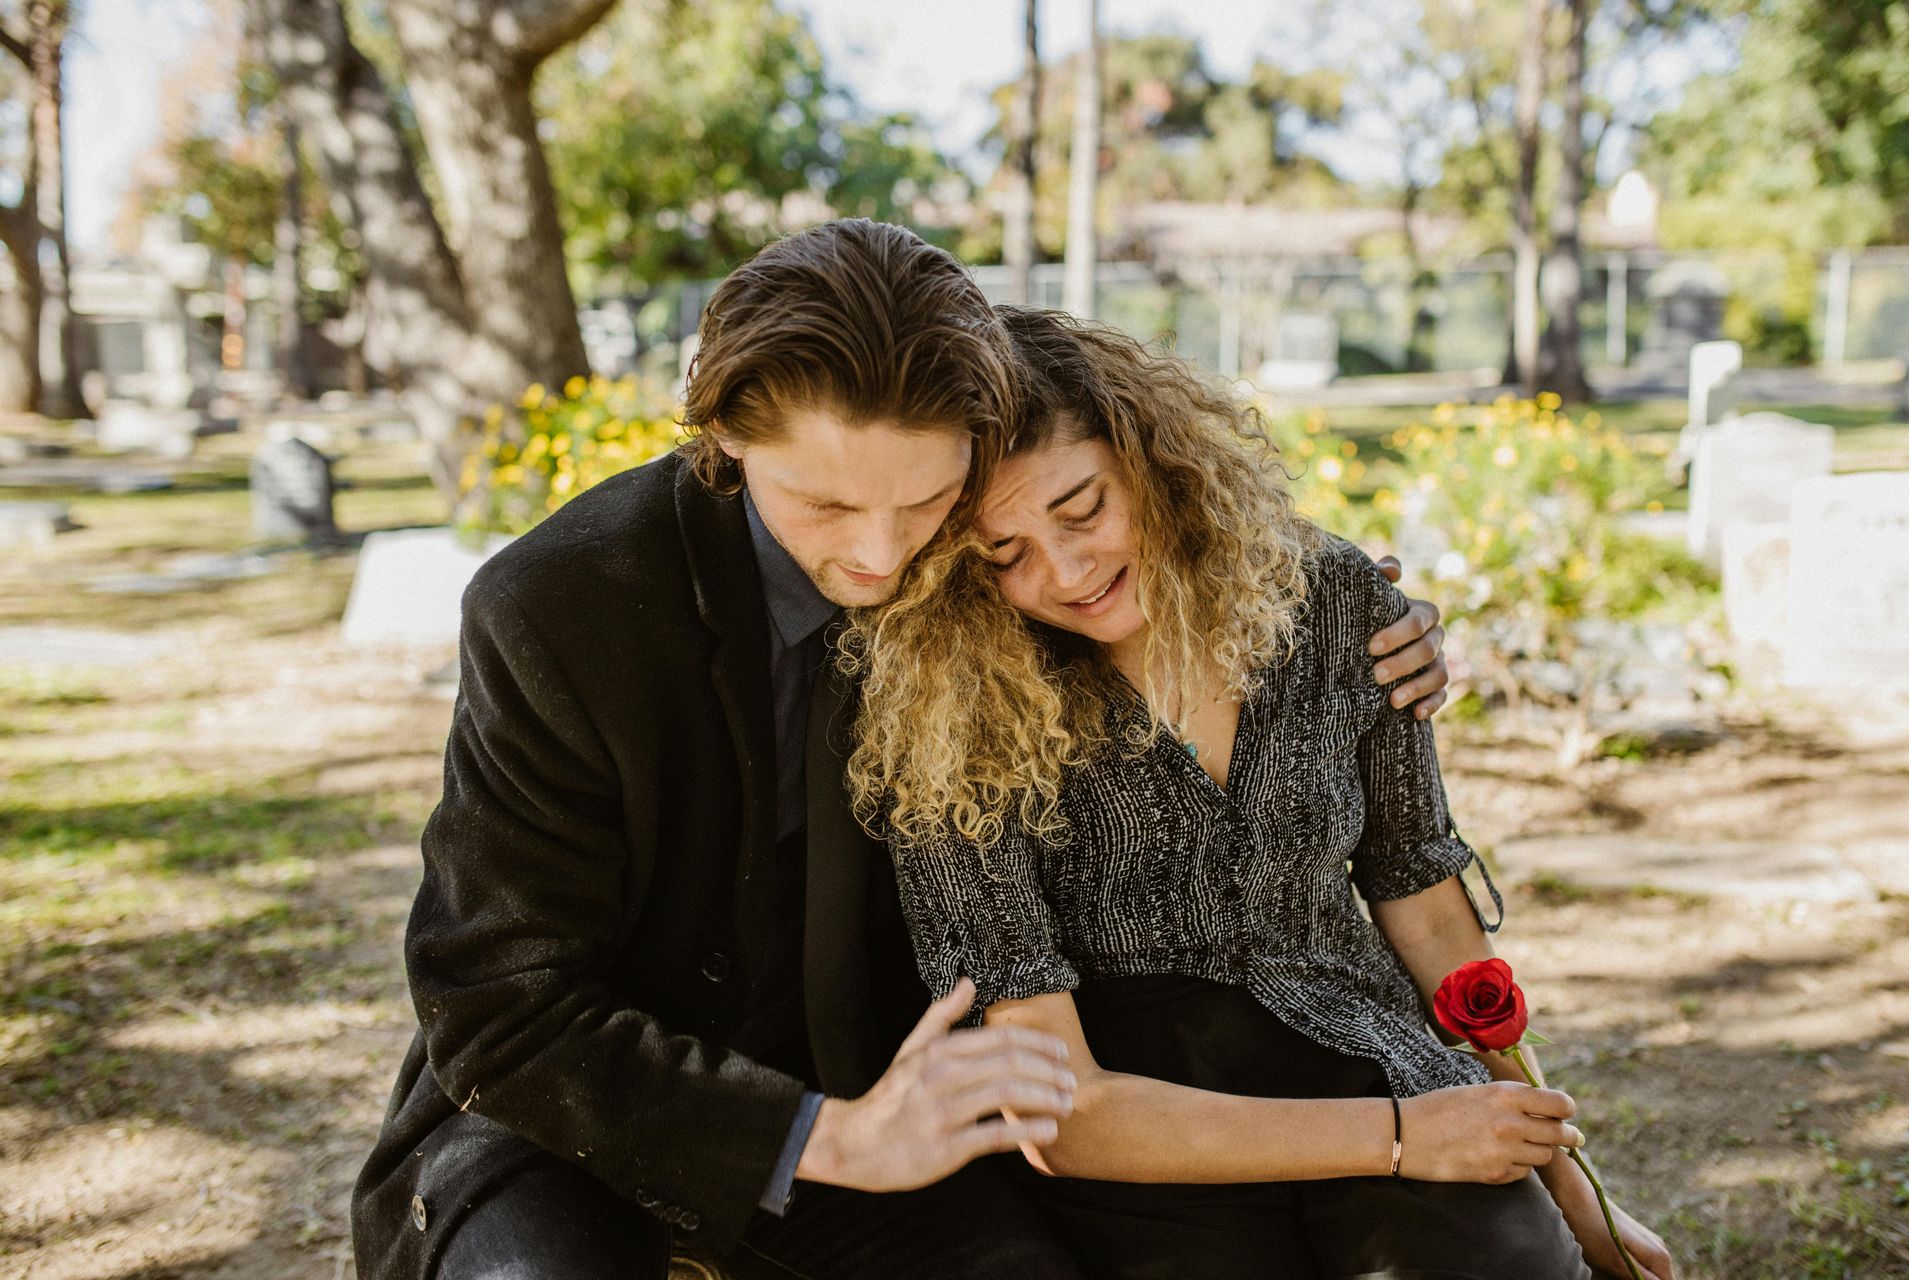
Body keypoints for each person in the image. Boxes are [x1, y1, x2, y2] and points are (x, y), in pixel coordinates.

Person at [349, 220, 1456, 1279]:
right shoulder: (559, 606)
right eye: (825, 501)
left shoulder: (998, 566)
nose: (880, 553)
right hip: (572, 1118)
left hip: (887, 1090)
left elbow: (1188, 543)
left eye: (926, 497)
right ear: (725, 433)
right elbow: (497, 1007)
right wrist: (822, 1135)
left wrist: (1373, 617)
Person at [843, 306, 1679, 1280]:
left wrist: (1574, 1188)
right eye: (1004, 553)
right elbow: (1065, 1109)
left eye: (1083, 507)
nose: (1066, 569)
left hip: (1355, 1036)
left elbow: (1423, 898)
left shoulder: (1337, 602)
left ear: (1150, 456)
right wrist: (1401, 1136)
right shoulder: (948, 708)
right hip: (1145, 1120)